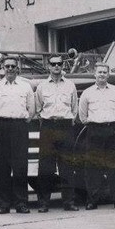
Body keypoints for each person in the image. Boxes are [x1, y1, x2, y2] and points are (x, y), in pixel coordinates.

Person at [0, 57, 36, 214]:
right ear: (3, 68)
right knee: (1, 166)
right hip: (1, 126)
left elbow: (31, 109)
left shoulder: (25, 87)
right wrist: (0, 120)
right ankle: (4, 204)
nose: (10, 69)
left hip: (19, 126)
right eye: (7, 66)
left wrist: (22, 120)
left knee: (20, 165)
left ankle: (21, 203)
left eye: (13, 66)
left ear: (17, 68)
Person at [78, 63, 115, 210]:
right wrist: (94, 125)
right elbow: (82, 115)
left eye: (104, 72)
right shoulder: (87, 93)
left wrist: (113, 122)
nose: (101, 75)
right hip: (94, 131)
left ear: (108, 75)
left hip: (113, 130)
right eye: (99, 72)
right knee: (93, 167)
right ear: (95, 74)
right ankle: (92, 200)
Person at [34, 56, 78, 212]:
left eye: (59, 64)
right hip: (48, 127)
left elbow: (74, 108)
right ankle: (44, 203)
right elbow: (38, 109)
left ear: (63, 65)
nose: (57, 66)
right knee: (46, 167)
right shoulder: (42, 87)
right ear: (49, 66)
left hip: (65, 126)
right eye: (53, 64)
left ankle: (69, 202)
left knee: (67, 165)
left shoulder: (70, 86)